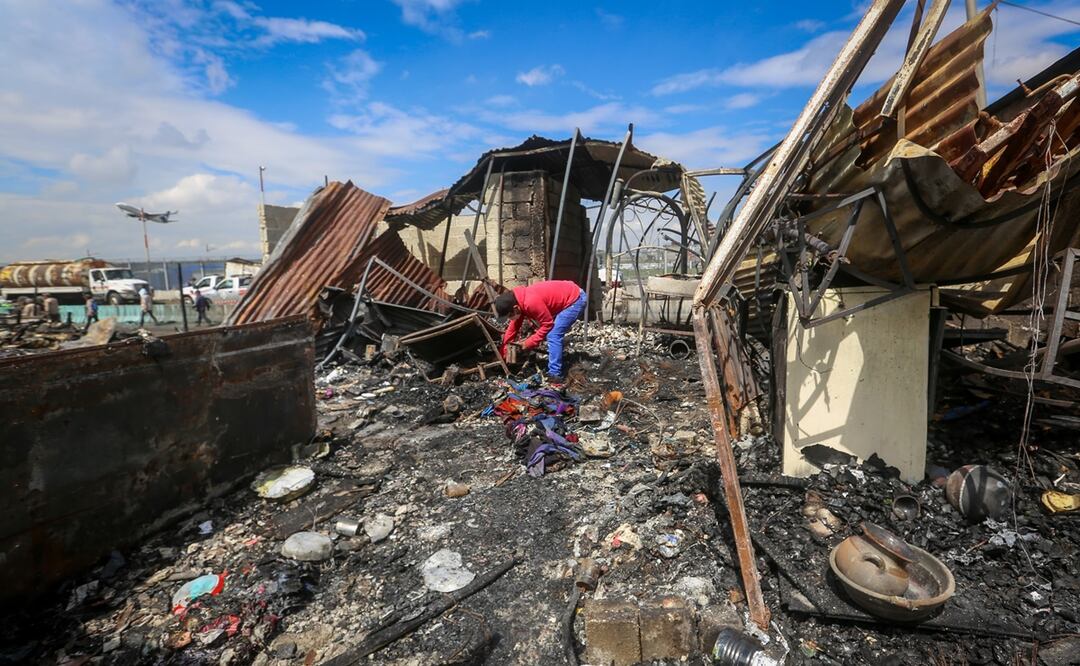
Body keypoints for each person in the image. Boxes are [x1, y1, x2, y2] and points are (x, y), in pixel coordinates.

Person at [495, 280, 588, 383]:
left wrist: (529, 342)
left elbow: (548, 324)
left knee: (553, 335)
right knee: (546, 333)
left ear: (515, 308)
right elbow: (514, 327)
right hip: (566, 293)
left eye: (509, 315)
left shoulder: (530, 302)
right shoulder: (517, 299)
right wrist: (503, 350)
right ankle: (558, 355)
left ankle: (555, 375)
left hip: (575, 299)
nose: (510, 319)